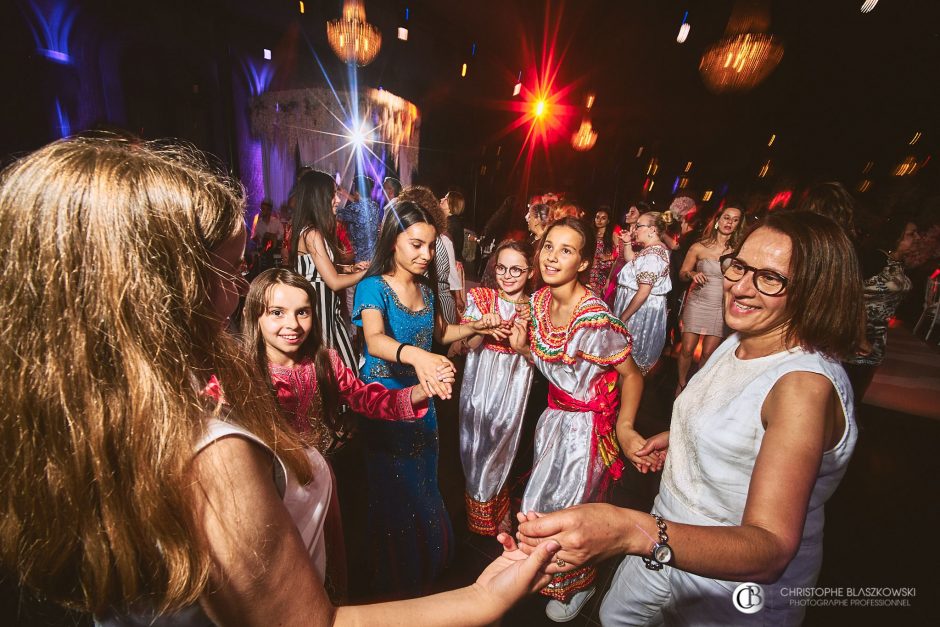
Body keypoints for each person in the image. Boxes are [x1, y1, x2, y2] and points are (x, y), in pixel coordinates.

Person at [0, 136, 564, 627]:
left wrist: (421, 380)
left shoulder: (111, 416)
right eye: (229, 270)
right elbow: (305, 620)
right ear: (161, 291)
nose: (236, 290)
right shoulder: (211, 454)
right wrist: (484, 600)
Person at [516, 211, 865, 627]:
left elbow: (768, 549)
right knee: (615, 617)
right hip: (666, 535)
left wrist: (630, 530)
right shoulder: (739, 340)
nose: (740, 286)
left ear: (815, 290)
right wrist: (679, 436)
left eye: (769, 278)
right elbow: (738, 419)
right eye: (738, 267)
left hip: (730, 588)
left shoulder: (802, 387)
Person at [353, 200, 510, 598]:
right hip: (386, 401)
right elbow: (374, 340)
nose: (426, 256)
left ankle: (424, 562)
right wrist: (415, 354)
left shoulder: (424, 287)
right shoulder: (373, 286)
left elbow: (440, 334)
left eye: (430, 247)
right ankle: (397, 572)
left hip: (424, 401)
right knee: (396, 487)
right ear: (393, 242)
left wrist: (477, 326)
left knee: (424, 481)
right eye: (417, 245)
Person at [508, 217, 646, 622]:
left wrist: (625, 426)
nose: (552, 257)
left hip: (586, 430)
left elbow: (633, 375)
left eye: (566, 250)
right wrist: (524, 351)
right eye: (549, 246)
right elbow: (555, 370)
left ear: (583, 262)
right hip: (553, 419)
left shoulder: (595, 318)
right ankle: (547, 572)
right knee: (540, 499)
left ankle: (578, 587)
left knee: (574, 509)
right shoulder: (538, 302)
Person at [241, 267, 448, 453]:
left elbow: (367, 400)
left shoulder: (325, 362)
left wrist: (420, 391)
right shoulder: (242, 372)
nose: (293, 324)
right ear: (253, 315)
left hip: (317, 476)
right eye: (277, 313)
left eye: (302, 312)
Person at [459, 240, 536, 536]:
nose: (507, 275)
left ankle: (496, 504)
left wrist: (524, 341)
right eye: (501, 267)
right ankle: (479, 512)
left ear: (530, 271)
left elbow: (539, 355)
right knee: (475, 442)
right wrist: (481, 327)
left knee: (503, 440)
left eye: (516, 269)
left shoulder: (535, 306)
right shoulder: (482, 296)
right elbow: (469, 344)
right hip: (480, 377)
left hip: (515, 378)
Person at [290, 169, 368, 371]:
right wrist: (365, 273)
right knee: (343, 372)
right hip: (320, 319)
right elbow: (332, 281)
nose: (337, 199)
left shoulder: (313, 231)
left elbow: (319, 268)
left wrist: (350, 268)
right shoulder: (312, 234)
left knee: (344, 371)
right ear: (318, 198)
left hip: (329, 315)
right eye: (332, 194)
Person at [843, 216, 918, 402]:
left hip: (877, 337)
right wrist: (860, 337)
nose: (916, 237)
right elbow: (853, 296)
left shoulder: (897, 263)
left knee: (856, 393)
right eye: (911, 234)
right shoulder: (875, 258)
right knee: (846, 393)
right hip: (856, 336)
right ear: (896, 236)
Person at [675, 204, 746, 391]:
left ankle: (697, 387)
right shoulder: (699, 247)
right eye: (726, 217)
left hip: (720, 304)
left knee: (708, 352)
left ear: (738, 224)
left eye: (735, 219)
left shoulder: (739, 251)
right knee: (688, 349)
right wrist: (691, 275)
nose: (729, 222)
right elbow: (682, 273)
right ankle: (681, 383)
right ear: (718, 220)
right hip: (698, 300)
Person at [612, 212, 672, 375]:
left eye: (638, 226)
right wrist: (627, 243)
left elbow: (643, 292)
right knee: (624, 360)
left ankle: (624, 395)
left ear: (652, 230)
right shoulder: (650, 250)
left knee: (628, 362)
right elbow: (632, 260)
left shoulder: (654, 255)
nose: (634, 229)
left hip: (639, 313)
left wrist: (623, 318)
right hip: (636, 308)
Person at [336, 175, 383, 264]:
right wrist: (344, 192)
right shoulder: (375, 206)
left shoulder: (353, 209)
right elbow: (360, 205)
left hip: (361, 259)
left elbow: (335, 214)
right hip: (375, 256)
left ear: (356, 192)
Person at [589, 206, 619, 297]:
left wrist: (609, 257)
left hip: (603, 271)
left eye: (603, 218)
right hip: (590, 269)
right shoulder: (591, 233)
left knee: (597, 297)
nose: (599, 220)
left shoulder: (612, 234)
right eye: (597, 217)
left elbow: (620, 251)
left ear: (608, 221)